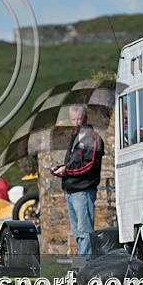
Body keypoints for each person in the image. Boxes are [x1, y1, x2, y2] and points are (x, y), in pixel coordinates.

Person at [52, 106, 104, 260]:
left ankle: (86, 266)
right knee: (77, 233)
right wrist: (59, 168)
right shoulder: (75, 137)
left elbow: (90, 165)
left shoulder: (93, 138)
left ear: (85, 118)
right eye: (73, 119)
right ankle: (82, 266)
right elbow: (73, 163)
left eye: (79, 119)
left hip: (84, 191)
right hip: (72, 191)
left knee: (84, 232)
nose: (76, 122)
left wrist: (67, 171)